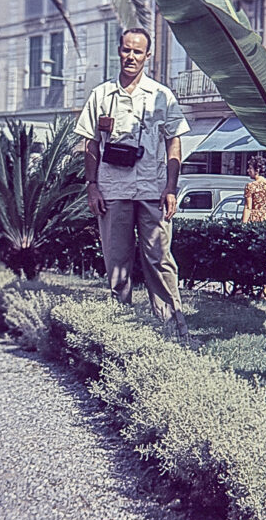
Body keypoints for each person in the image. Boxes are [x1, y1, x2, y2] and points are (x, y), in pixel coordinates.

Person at [74, 27, 191, 341]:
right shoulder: (101, 95)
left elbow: (174, 144)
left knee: (161, 261)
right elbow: (90, 144)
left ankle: (173, 333)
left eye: (138, 52)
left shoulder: (162, 95)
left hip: (152, 191)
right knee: (117, 263)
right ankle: (119, 331)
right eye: (126, 50)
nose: (131, 57)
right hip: (112, 190)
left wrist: (171, 188)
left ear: (147, 56)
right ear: (119, 50)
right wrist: (92, 186)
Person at [241, 155, 266, 223]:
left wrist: (243, 224)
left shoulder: (251, 186)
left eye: (250, 168)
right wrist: (264, 204)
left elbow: (248, 207)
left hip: (253, 219)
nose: (248, 171)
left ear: (257, 170)